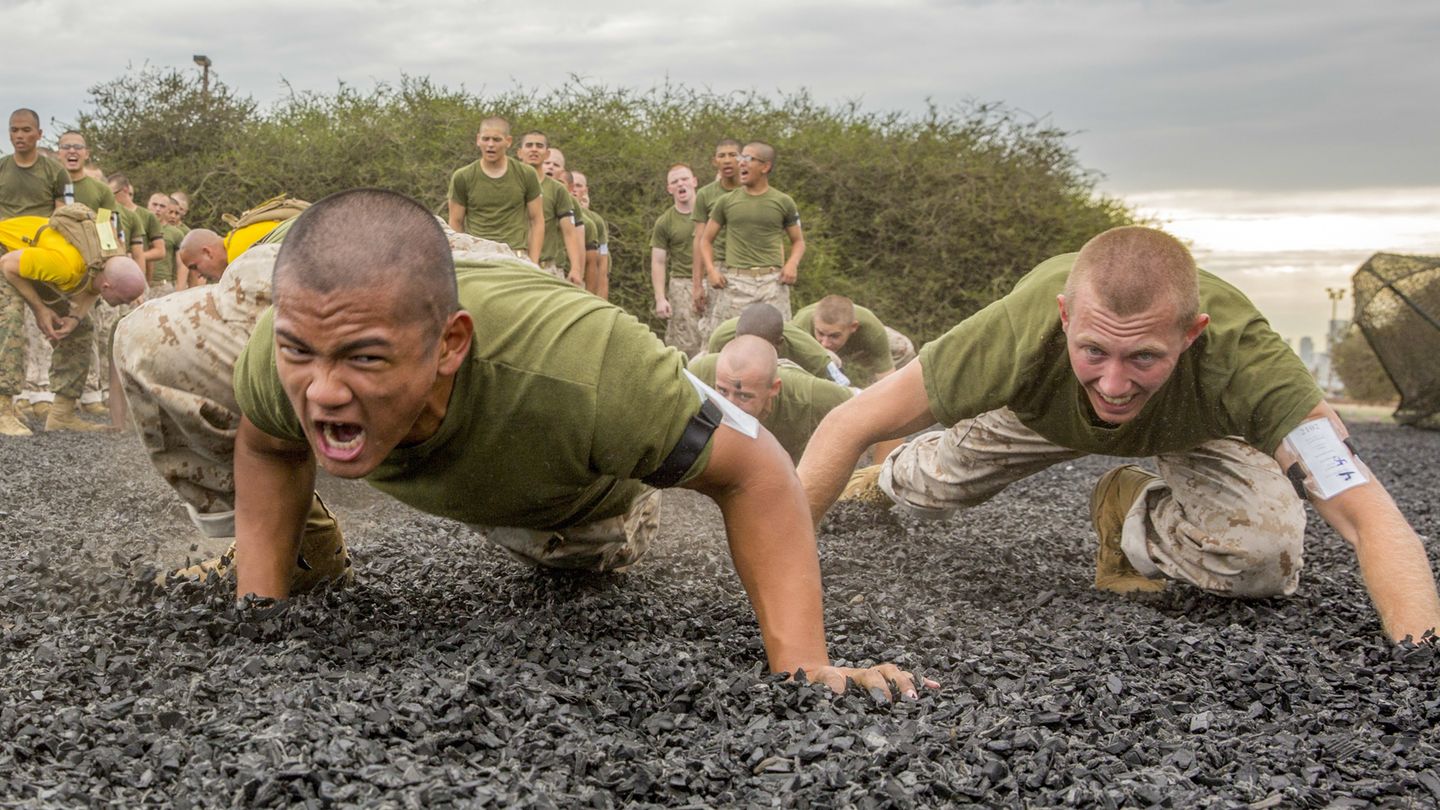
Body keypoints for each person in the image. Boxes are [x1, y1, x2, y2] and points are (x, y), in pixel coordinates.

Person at [119, 188, 929, 699]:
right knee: (153, 342)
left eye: (364, 357)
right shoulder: (286, 345)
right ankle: (309, 550)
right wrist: (265, 610)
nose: (323, 389)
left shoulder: (592, 372)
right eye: (304, 354)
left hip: (573, 486)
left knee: (580, 557)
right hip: (431, 280)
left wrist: (802, 665)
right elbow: (266, 445)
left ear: (449, 344)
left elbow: (757, 468)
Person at [801, 226, 1440, 644]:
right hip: (1046, 409)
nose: (1112, 384)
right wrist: (785, 548)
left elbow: (1367, 513)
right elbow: (850, 421)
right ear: (1065, 317)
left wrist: (1421, 653)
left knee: (1263, 558)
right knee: (935, 482)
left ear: (1192, 334)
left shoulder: (1247, 361)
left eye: (1143, 357)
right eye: (1094, 350)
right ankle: (883, 484)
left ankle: (1127, 507)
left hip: (1197, 426)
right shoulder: (1016, 330)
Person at [0, 213, 146, 435]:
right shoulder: (66, 266)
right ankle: (2, 412)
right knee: (9, 317)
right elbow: (8, 265)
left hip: (34, 260)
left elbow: (92, 286)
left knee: (82, 327)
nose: (122, 305)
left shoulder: (106, 256)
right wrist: (40, 309)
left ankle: (61, 415)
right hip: (6, 253)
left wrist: (75, 317)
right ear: (108, 286)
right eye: (123, 299)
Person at [689, 336, 852, 463]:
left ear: (774, 389)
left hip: (796, 378)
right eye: (722, 391)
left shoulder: (810, 395)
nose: (729, 405)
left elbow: (871, 405)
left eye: (744, 396)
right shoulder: (701, 374)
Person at [698, 141, 804, 333]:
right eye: (741, 158)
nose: (742, 163)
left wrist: (792, 264)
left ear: (765, 166)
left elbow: (798, 241)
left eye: (749, 159)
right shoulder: (726, 201)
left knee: (781, 340)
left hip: (773, 284)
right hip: (736, 284)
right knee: (724, 340)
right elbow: (705, 240)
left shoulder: (783, 202)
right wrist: (711, 270)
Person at [447, 116, 543, 261]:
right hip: (477, 254)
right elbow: (455, 221)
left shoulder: (526, 174)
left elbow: (536, 220)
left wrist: (534, 261)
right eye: (486, 139)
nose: (490, 145)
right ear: (478, 140)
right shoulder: (463, 177)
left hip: (515, 254)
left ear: (508, 141)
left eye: (497, 140)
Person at [706, 303, 849, 385]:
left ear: (778, 344)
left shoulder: (811, 355)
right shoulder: (721, 339)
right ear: (735, 337)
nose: (749, 354)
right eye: (744, 344)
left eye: (758, 351)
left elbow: (843, 387)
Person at [792, 295, 913, 388]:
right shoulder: (799, 328)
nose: (825, 342)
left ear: (853, 327)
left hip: (857, 345)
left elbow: (887, 376)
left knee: (904, 348)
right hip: (815, 354)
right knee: (828, 358)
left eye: (834, 336)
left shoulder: (871, 329)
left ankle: (869, 395)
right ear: (814, 322)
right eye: (820, 333)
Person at [514, 131, 583, 283]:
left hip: (546, 269)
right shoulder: (508, 184)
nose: (534, 149)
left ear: (546, 154)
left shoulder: (558, 190)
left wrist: (576, 269)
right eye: (529, 145)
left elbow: (569, 232)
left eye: (539, 146)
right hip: (512, 264)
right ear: (519, 152)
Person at [650, 163, 704, 355]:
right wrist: (660, 298)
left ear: (694, 182)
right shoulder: (665, 222)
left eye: (684, 179)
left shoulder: (713, 213)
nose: (681, 184)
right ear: (669, 188)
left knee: (719, 337)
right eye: (675, 182)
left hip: (713, 281)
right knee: (686, 345)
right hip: (682, 284)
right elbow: (658, 261)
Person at [690, 139, 741, 326]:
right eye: (722, 156)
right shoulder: (705, 194)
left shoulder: (752, 190)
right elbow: (699, 240)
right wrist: (697, 286)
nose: (727, 160)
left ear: (742, 160)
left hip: (747, 266)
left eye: (732, 155)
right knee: (715, 331)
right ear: (715, 162)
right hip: (717, 268)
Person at [1, 109, 66, 218]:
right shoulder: (1, 167)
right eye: (14, 130)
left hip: (43, 232)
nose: (19, 135)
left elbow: (64, 215)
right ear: (9, 134)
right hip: (5, 232)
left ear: (39, 134)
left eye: (26, 130)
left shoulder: (57, 172)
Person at [570, 170, 611, 299]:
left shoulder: (596, 221)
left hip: (582, 282)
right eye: (571, 184)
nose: (574, 189)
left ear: (585, 191)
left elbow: (602, 263)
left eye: (579, 185)